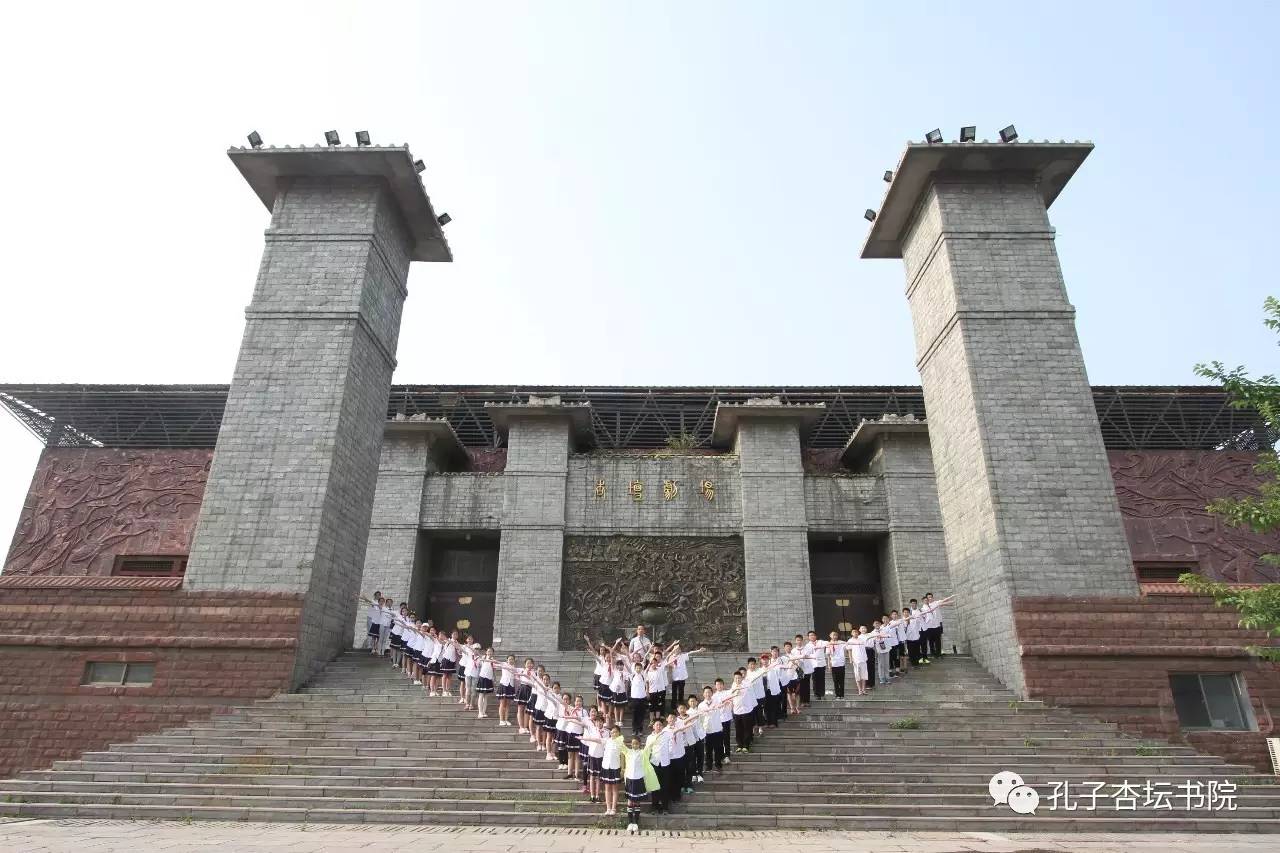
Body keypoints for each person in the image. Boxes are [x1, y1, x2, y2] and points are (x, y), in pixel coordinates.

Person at [618, 734, 658, 834]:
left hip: (639, 779)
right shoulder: (628, 752)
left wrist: (656, 737)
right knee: (630, 802)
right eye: (632, 744)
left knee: (637, 802)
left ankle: (636, 822)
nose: (634, 745)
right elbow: (621, 745)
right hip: (630, 780)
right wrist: (617, 738)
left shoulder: (642, 753)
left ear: (640, 744)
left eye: (636, 744)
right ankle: (630, 822)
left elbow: (649, 746)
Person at [808, 630, 827, 700]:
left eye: (813, 635)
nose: (812, 636)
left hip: (821, 664)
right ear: (808, 637)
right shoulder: (808, 645)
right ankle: (816, 694)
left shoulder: (821, 642)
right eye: (810, 635)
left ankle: (822, 694)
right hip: (813, 665)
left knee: (822, 679)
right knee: (815, 680)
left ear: (816, 636)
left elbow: (827, 643)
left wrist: (819, 647)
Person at [828, 629, 846, 698]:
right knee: (835, 680)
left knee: (841, 680)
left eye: (835, 635)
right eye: (833, 635)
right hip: (834, 664)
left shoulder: (841, 642)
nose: (834, 636)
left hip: (841, 664)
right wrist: (829, 665)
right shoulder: (829, 644)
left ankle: (842, 695)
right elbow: (828, 656)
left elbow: (847, 645)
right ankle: (837, 694)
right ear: (830, 636)